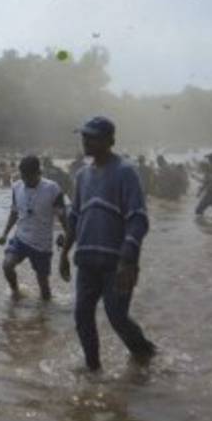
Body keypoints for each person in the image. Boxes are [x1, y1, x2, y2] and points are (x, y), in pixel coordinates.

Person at [58, 116, 156, 371]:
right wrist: (65, 252)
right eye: (84, 136)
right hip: (87, 261)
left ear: (110, 141)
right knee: (81, 316)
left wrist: (128, 259)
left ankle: (145, 354)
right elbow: (75, 216)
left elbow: (138, 219)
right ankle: (93, 369)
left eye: (92, 137)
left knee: (117, 317)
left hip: (117, 263)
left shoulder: (125, 172)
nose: (86, 141)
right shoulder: (82, 176)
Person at [0, 155, 69, 300]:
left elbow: (63, 218)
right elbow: (14, 212)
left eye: (29, 177)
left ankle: (44, 317)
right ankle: (15, 292)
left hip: (42, 245)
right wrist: (5, 233)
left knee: (43, 287)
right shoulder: (17, 187)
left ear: (38, 173)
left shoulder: (52, 189)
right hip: (21, 239)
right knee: (7, 265)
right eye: (23, 176)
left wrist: (68, 239)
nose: (25, 180)